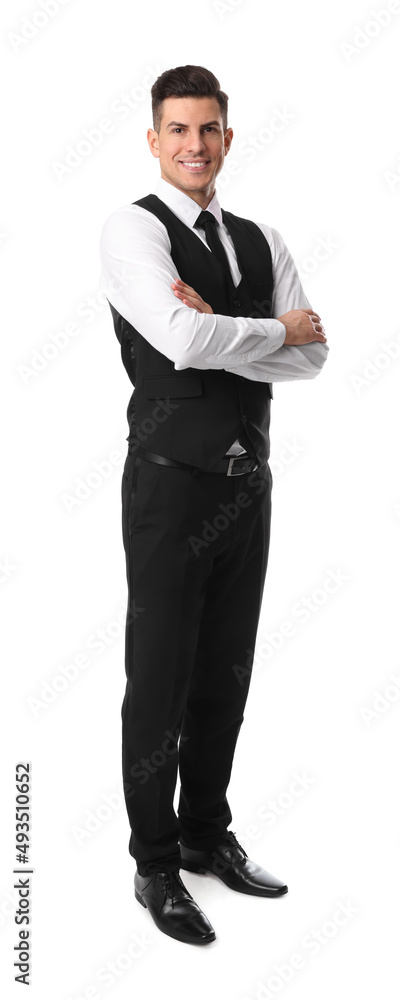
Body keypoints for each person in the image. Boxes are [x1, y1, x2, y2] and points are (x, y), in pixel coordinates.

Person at [99, 64, 328, 946]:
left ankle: (205, 835)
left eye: (209, 130)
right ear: (155, 141)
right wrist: (270, 331)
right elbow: (180, 336)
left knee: (226, 672)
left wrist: (230, 335)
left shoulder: (263, 240)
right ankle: (154, 864)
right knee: (158, 677)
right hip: (166, 486)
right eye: (179, 131)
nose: (195, 145)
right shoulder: (132, 231)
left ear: (227, 138)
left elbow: (315, 357)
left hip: (247, 485)